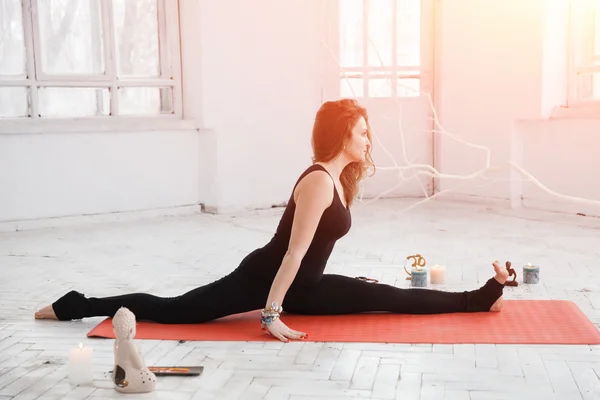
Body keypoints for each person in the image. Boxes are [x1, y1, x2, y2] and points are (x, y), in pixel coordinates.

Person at [35, 99, 508, 343]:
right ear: (342, 135)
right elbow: (292, 254)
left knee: (386, 296)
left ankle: (480, 296)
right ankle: (77, 304)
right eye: (362, 132)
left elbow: (312, 258)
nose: (369, 139)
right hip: (264, 278)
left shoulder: (339, 179)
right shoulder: (321, 181)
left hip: (308, 285)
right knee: (178, 309)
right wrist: (269, 315)